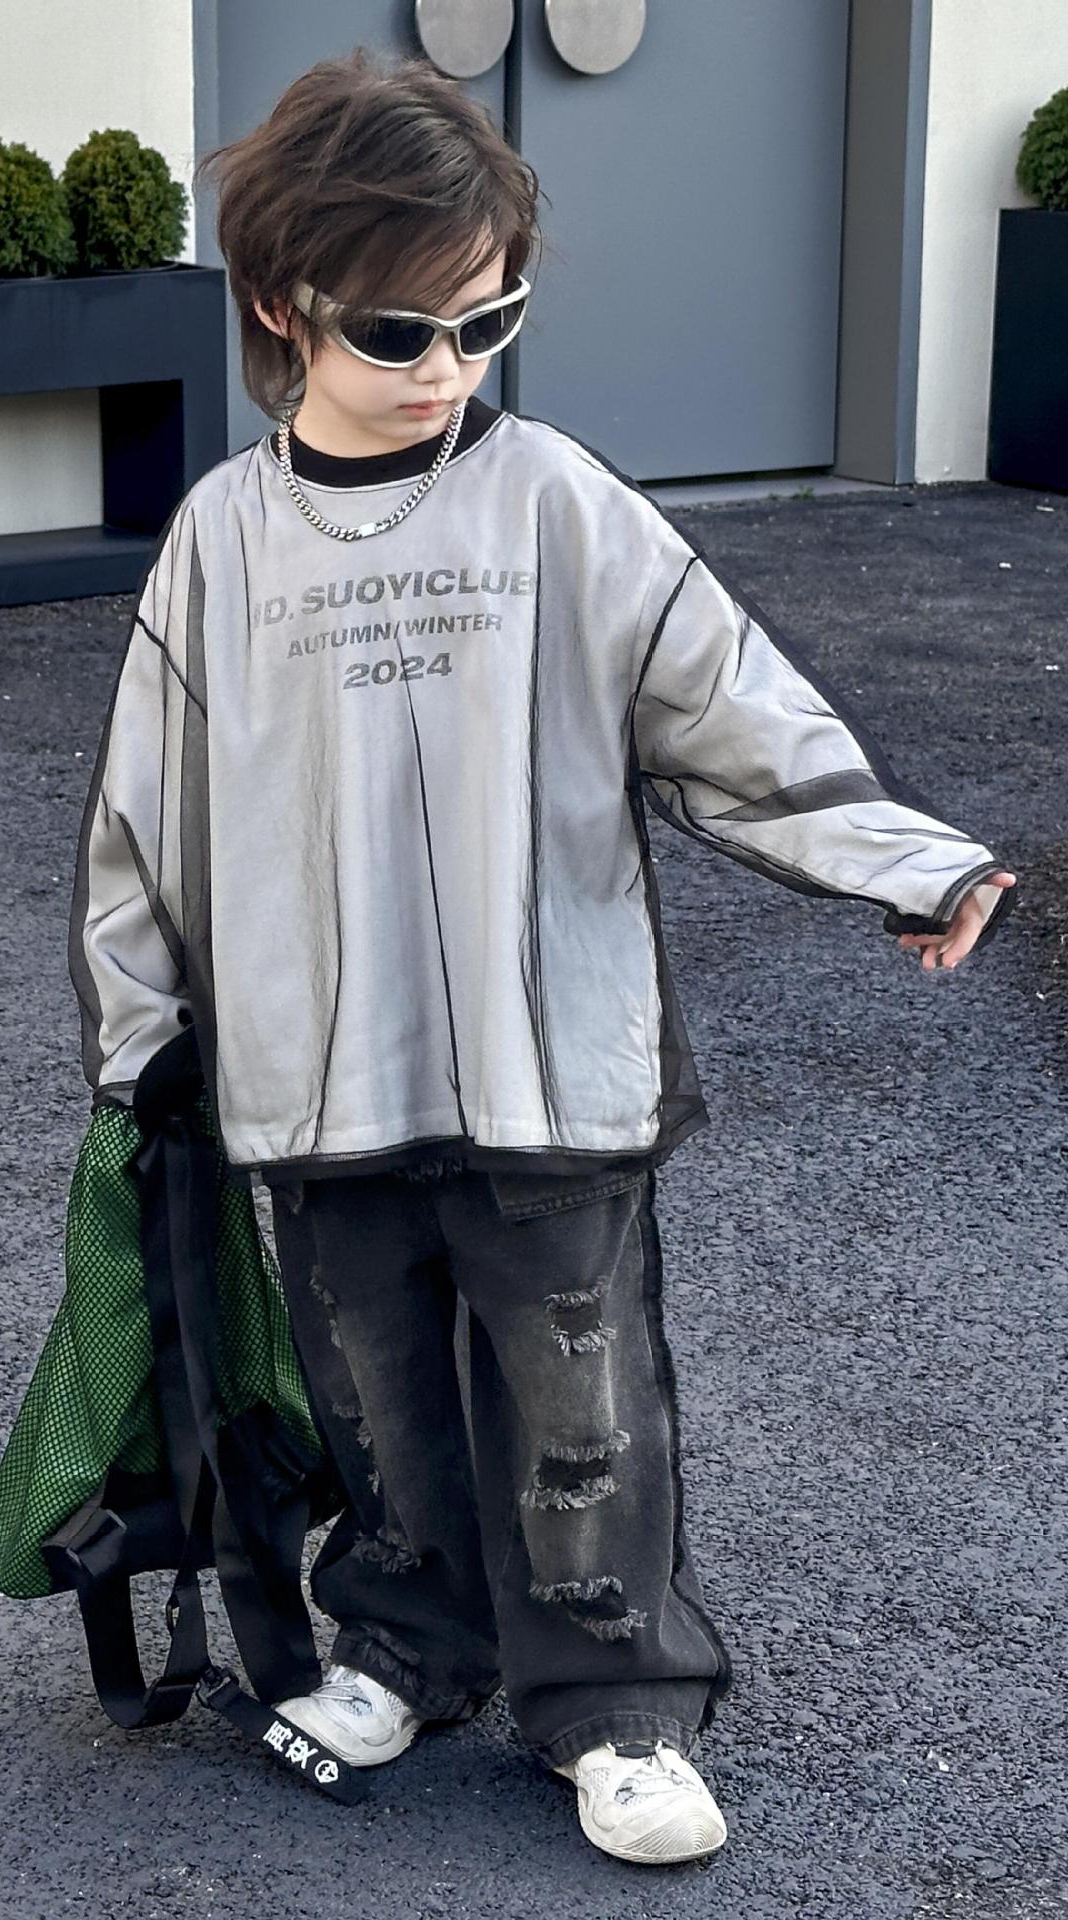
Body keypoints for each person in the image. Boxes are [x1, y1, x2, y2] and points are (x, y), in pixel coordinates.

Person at [67, 48, 1016, 1864]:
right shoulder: (219, 543)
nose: (449, 367)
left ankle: (616, 1704)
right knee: (375, 1396)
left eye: (488, 321)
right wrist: (142, 1038)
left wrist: (908, 860)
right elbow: (143, 817)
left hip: (551, 1062)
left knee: (581, 1397)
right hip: (318, 1072)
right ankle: (407, 1647)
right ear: (279, 303)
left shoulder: (562, 505)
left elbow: (729, 705)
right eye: (398, 331)